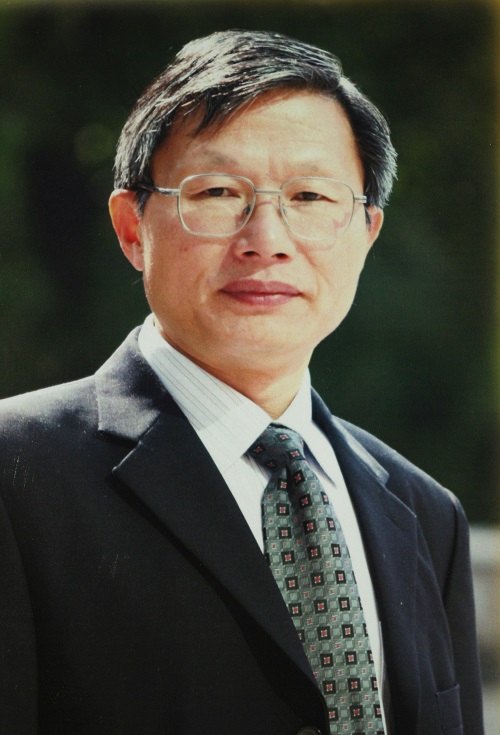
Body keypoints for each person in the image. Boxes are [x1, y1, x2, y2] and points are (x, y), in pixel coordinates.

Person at [0, 30, 483, 735]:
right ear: (132, 228)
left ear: (366, 233)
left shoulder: (426, 514)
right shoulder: (17, 477)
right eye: (219, 192)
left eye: (310, 195)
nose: (267, 240)